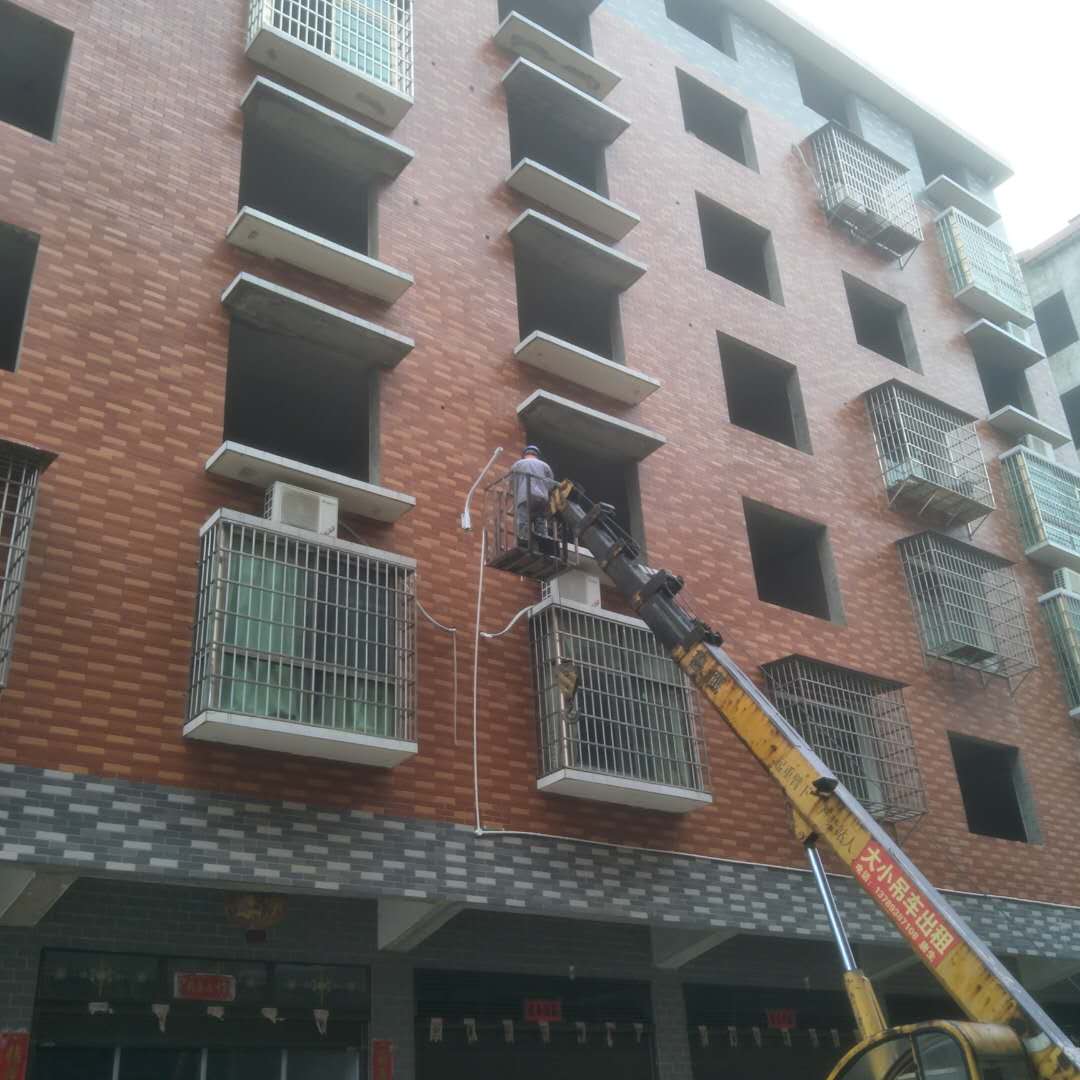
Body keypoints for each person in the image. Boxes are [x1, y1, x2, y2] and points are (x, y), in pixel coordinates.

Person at [510, 445, 554, 546]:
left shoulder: (518, 464)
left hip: (525, 496)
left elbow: (512, 482)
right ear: (537, 455)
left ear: (525, 454)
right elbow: (550, 484)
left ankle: (524, 539)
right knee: (540, 521)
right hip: (542, 498)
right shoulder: (545, 466)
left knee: (523, 519)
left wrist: (515, 494)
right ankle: (543, 541)